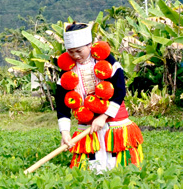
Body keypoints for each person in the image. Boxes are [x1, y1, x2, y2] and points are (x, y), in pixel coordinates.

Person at [54, 23, 143, 171]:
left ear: (89, 45)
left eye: (79, 51)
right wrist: (65, 133)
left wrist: (103, 116)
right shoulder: (66, 72)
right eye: (71, 52)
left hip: (113, 119)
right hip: (86, 121)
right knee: (91, 165)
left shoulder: (107, 61)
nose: (76, 56)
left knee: (118, 161)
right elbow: (62, 105)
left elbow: (120, 90)